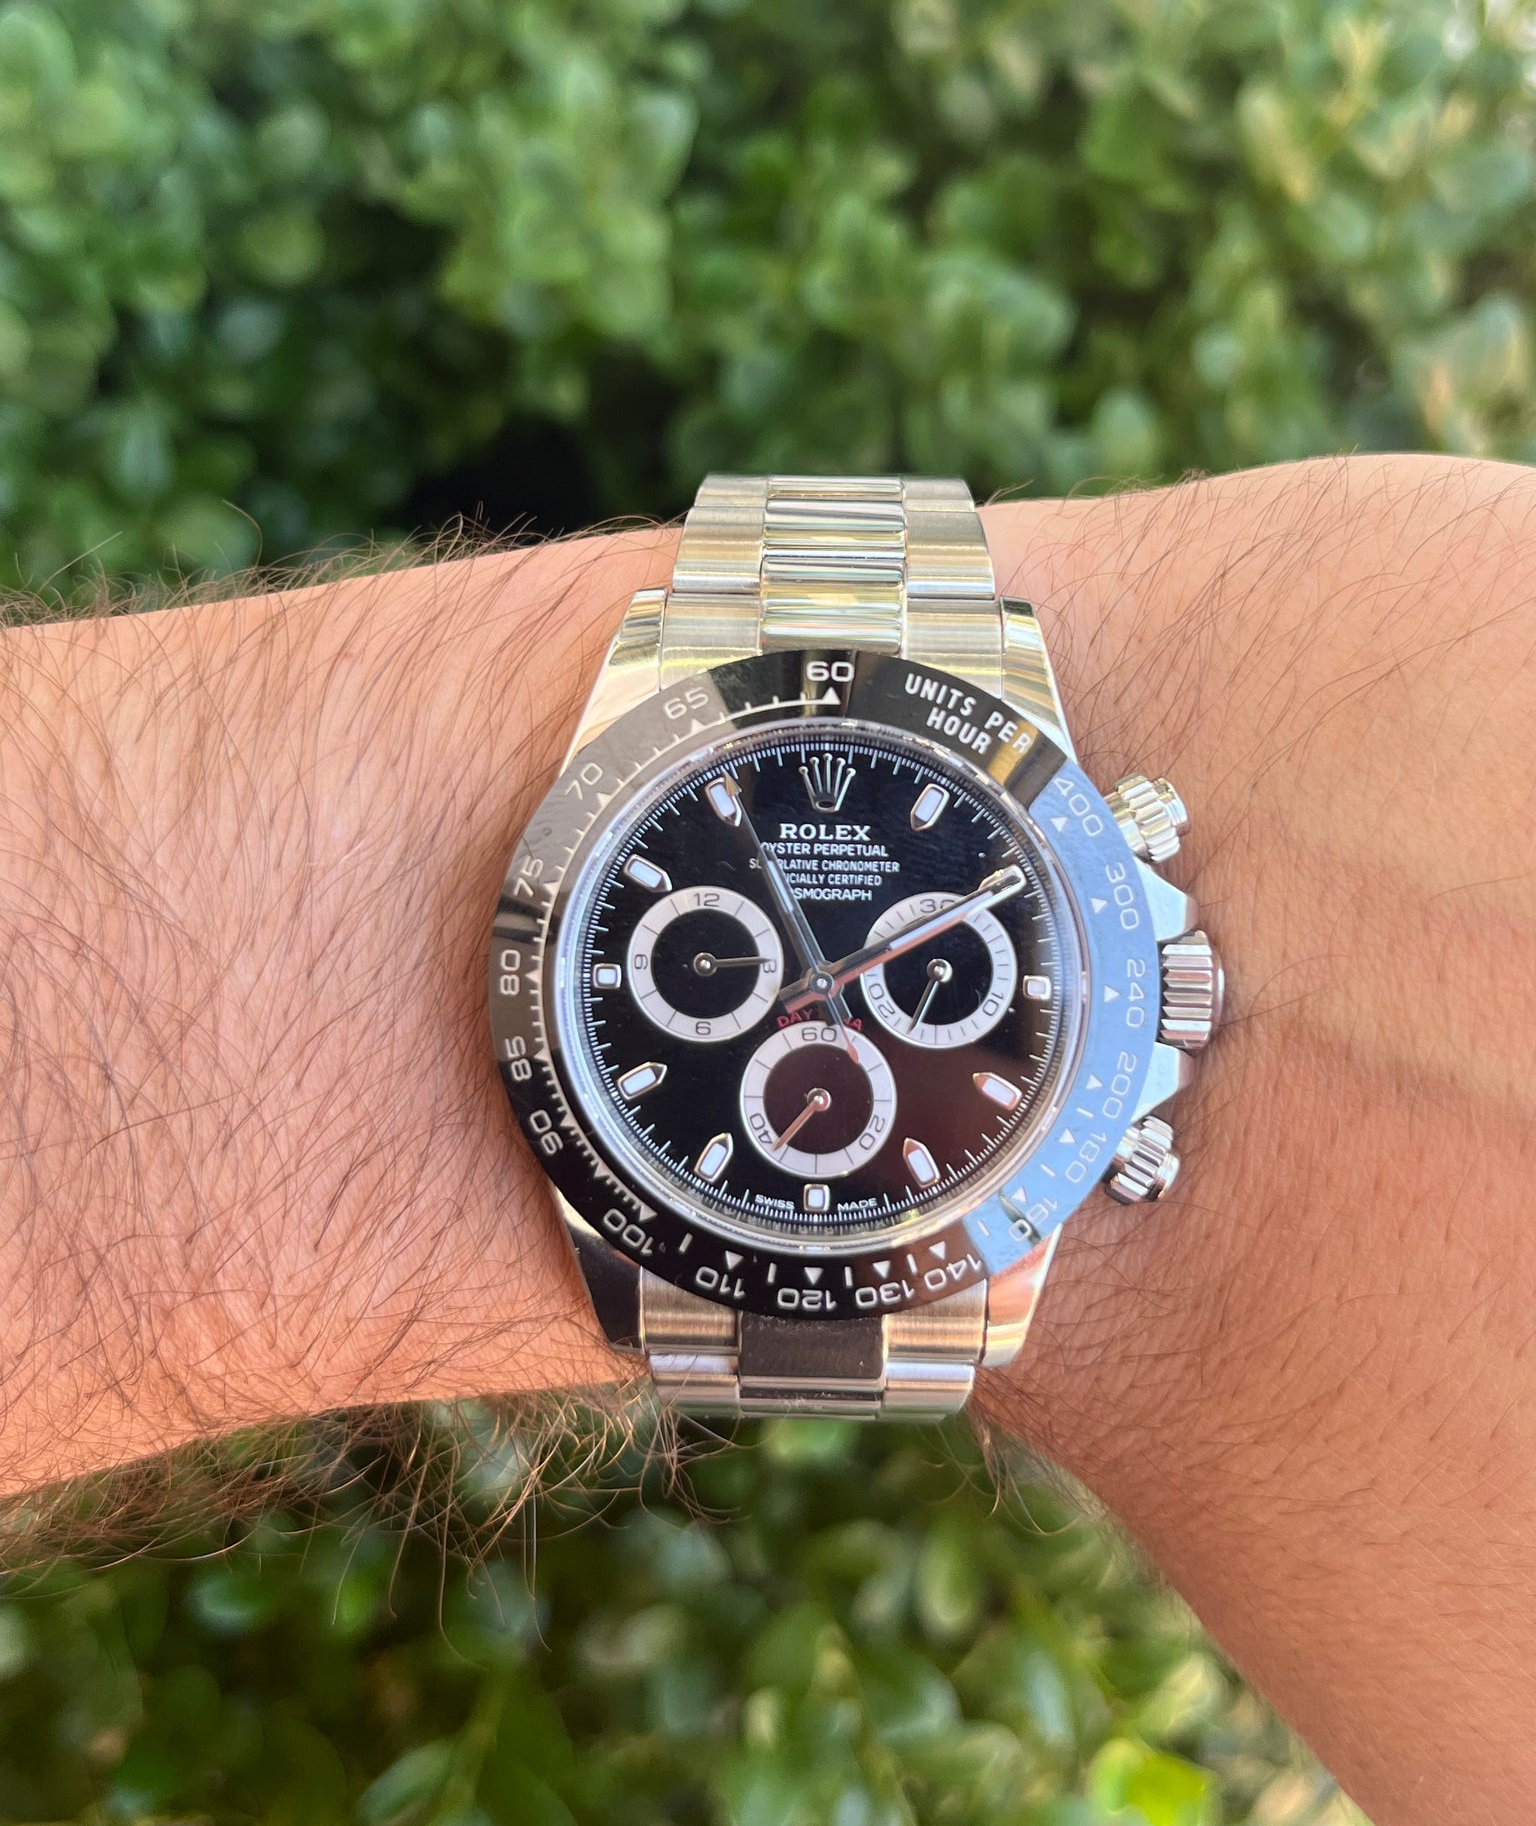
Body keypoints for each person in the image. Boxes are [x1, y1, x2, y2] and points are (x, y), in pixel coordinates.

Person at [0, 450, 1529, 1825]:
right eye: (806, 986)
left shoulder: (1070, 964)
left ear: (1152, 996)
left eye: (887, 979)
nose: (817, 999)